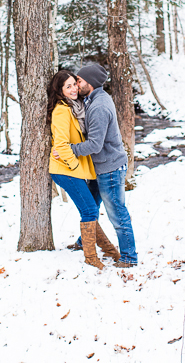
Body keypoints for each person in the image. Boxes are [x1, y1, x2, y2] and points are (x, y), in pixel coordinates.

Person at [60, 64, 138, 268]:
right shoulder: (92, 100)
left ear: (91, 83)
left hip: (109, 169)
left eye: (80, 81)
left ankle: (129, 257)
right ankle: (83, 240)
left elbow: (94, 144)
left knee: (117, 213)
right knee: (90, 207)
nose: (77, 84)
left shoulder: (99, 107)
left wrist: (69, 149)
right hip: (100, 167)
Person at [48, 70, 121, 270]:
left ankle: (106, 250)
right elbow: (61, 145)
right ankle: (91, 256)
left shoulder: (79, 107)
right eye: (68, 86)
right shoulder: (62, 110)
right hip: (66, 169)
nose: (74, 89)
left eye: (74, 84)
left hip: (79, 169)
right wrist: (73, 166)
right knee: (89, 210)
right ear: (60, 91)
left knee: (91, 207)